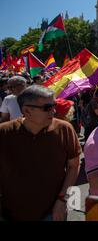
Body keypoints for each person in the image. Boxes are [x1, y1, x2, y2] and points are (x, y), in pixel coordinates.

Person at [0, 85, 81, 220]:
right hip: (11, 213)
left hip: (53, 213)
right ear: (26, 110)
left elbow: (73, 166)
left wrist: (62, 200)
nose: (53, 111)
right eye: (47, 108)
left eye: (54, 105)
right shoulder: (4, 132)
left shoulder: (64, 129)